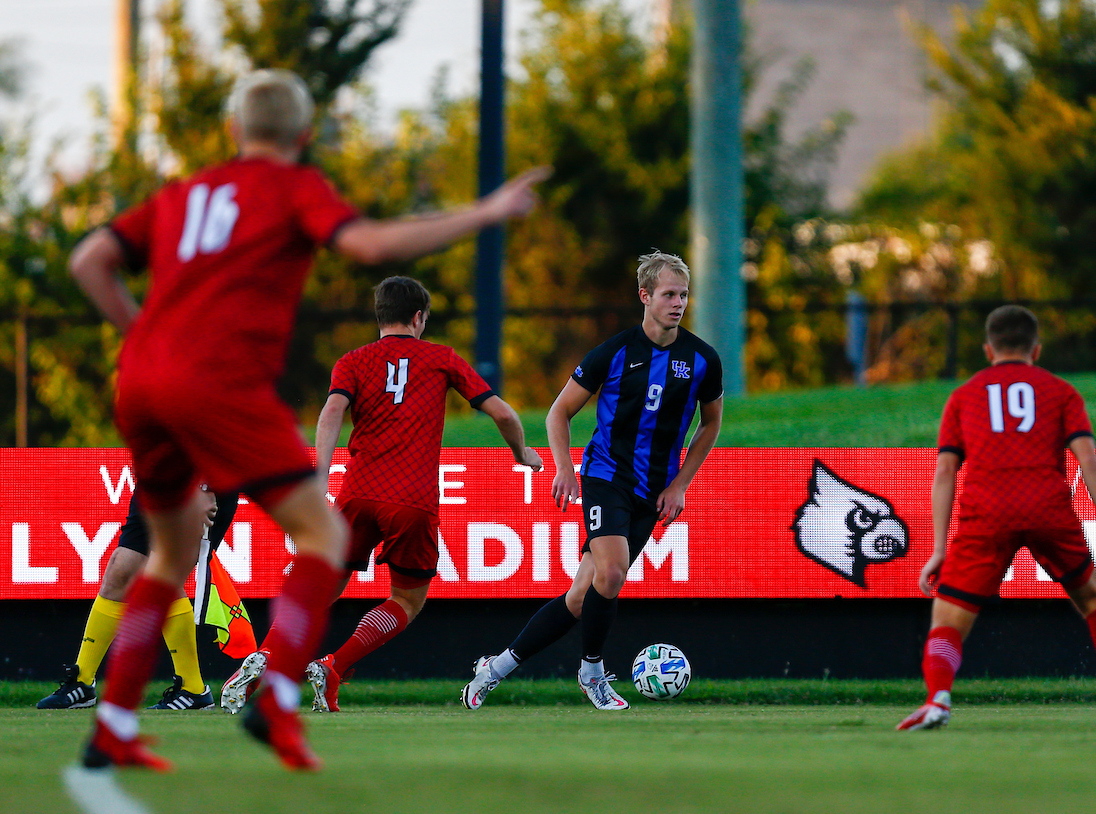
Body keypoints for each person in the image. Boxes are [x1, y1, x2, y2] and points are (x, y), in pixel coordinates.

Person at [69, 68, 548, 771]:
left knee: (170, 555)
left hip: (141, 381)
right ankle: (281, 703)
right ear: (303, 135)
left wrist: (141, 338)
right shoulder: (292, 187)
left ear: (234, 132)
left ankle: (112, 726)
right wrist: (485, 212)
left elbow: (89, 260)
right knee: (320, 537)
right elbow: (372, 247)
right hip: (217, 382)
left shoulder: (182, 194)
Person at [461, 250, 723, 711]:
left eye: (683, 295)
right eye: (668, 294)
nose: (678, 303)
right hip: (607, 477)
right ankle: (593, 672)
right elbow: (558, 412)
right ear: (645, 296)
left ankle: (495, 668)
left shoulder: (701, 358)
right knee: (613, 572)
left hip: (654, 490)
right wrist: (565, 467)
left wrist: (679, 483)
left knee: (583, 596)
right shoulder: (616, 352)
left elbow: (711, 424)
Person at [282, 276, 543, 713]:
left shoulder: (353, 360)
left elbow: (331, 411)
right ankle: (335, 666)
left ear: (379, 316)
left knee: (323, 585)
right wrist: (521, 453)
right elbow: (503, 412)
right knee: (406, 598)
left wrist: (320, 475)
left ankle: (270, 660)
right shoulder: (441, 358)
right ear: (419, 317)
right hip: (411, 500)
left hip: (358, 493)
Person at [897, 305, 1096, 730]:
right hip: (1047, 507)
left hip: (987, 511)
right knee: (1092, 600)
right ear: (1036, 349)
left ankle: (938, 699)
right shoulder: (1060, 391)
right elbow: (1088, 460)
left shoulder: (964, 395)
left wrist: (939, 548)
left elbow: (945, 472)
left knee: (948, 618)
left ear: (988, 349)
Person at [37, 488, 239, 711]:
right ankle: (82, 683)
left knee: (163, 573)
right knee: (120, 571)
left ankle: (193, 690)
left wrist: (204, 488)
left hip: (197, 486)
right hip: (160, 482)